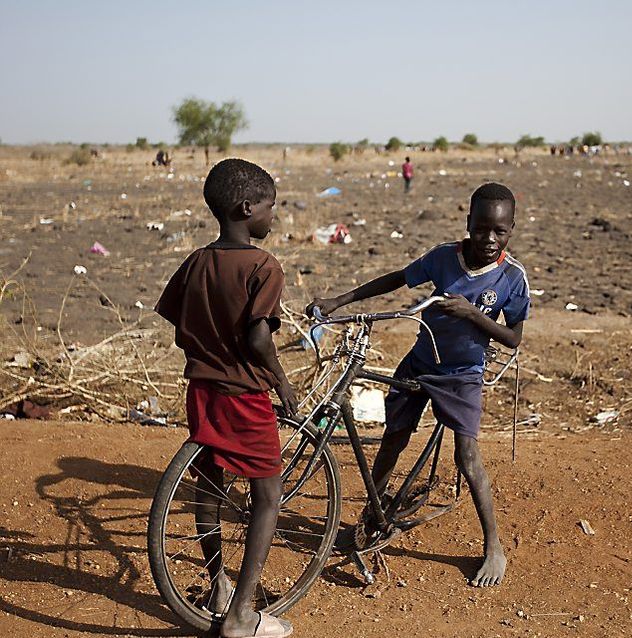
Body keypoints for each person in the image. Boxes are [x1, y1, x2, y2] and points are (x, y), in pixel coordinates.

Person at [307, 182, 529, 588]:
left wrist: (470, 315)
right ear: (468, 224)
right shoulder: (445, 257)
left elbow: (513, 337)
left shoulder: (513, 278)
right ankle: (370, 518)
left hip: (462, 374)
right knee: (394, 437)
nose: (489, 239)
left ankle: (493, 545)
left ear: (511, 230)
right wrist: (341, 301)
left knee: (467, 456)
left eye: (500, 231)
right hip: (421, 361)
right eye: (481, 229)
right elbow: (398, 279)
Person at [155, 158, 297, 638]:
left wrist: (207, 348)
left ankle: (217, 585)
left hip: (201, 388)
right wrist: (278, 377)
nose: (273, 216)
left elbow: (178, 327)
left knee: (210, 485)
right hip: (244, 393)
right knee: (268, 495)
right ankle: (240, 616)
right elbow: (259, 338)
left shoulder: (196, 261)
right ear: (247, 207)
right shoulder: (263, 266)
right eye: (270, 206)